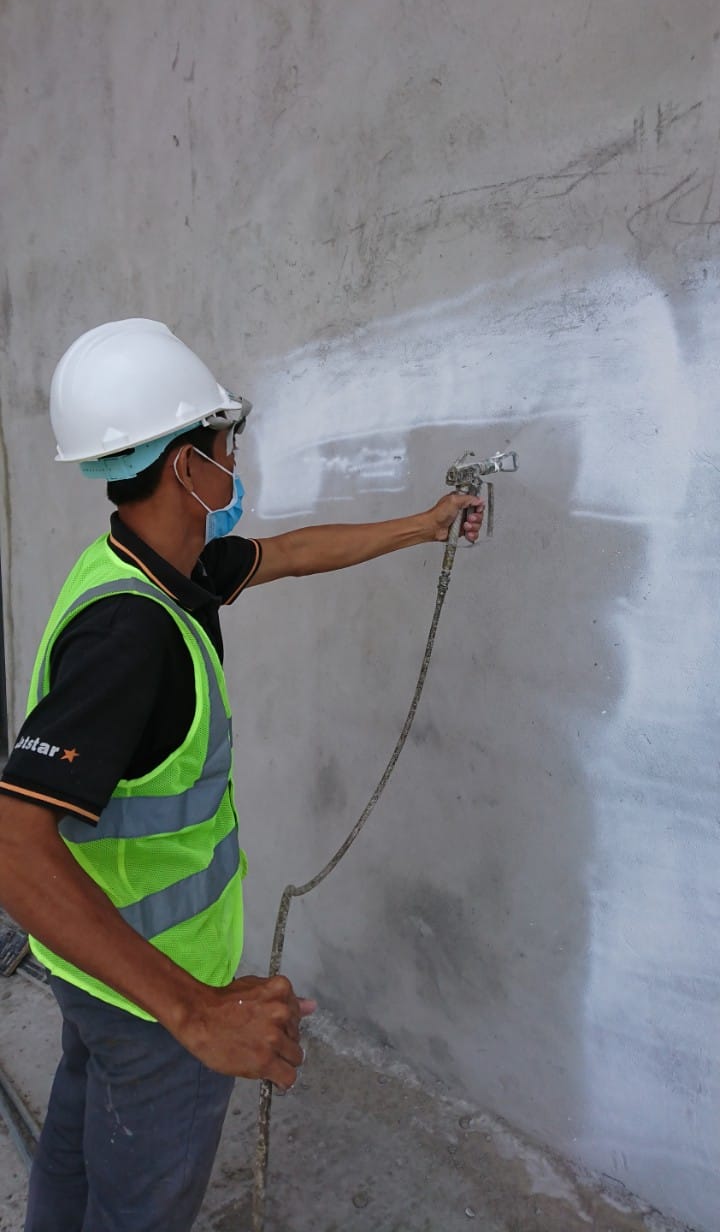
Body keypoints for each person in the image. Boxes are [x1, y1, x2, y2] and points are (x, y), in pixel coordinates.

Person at [0, 319, 483, 1232]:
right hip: (154, 990)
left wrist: (422, 526)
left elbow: (289, 554)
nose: (236, 458)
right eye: (227, 440)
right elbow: (13, 846)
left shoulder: (147, 565)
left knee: (76, 1146)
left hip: (93, 969)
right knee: (140, 1200)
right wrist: (193, 1013)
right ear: (186, 466)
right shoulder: (130, 636)